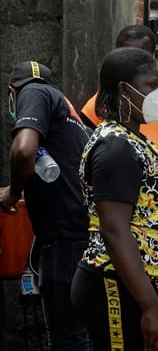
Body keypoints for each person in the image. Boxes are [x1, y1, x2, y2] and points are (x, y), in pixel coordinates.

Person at [70, 47, 158, 351]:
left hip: (147, 288)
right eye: (152, 85)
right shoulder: (115, 146)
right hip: (115, 286)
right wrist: (151, 308)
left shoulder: (137, 140)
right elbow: (114, 230)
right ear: (124, 90)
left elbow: (156, 219)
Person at [0, 61, 92, 350]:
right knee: (81, 336)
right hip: (82, 234)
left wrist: (12, 194)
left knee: (67, 341)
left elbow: (25, 149)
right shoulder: (67, 111)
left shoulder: (34, 92)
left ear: (11, 92)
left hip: (64, 241)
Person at [81, 24, 158, 165]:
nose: (133, 64)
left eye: (142, 58)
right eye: (126, 56)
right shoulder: (99, 104)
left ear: (156, 56)